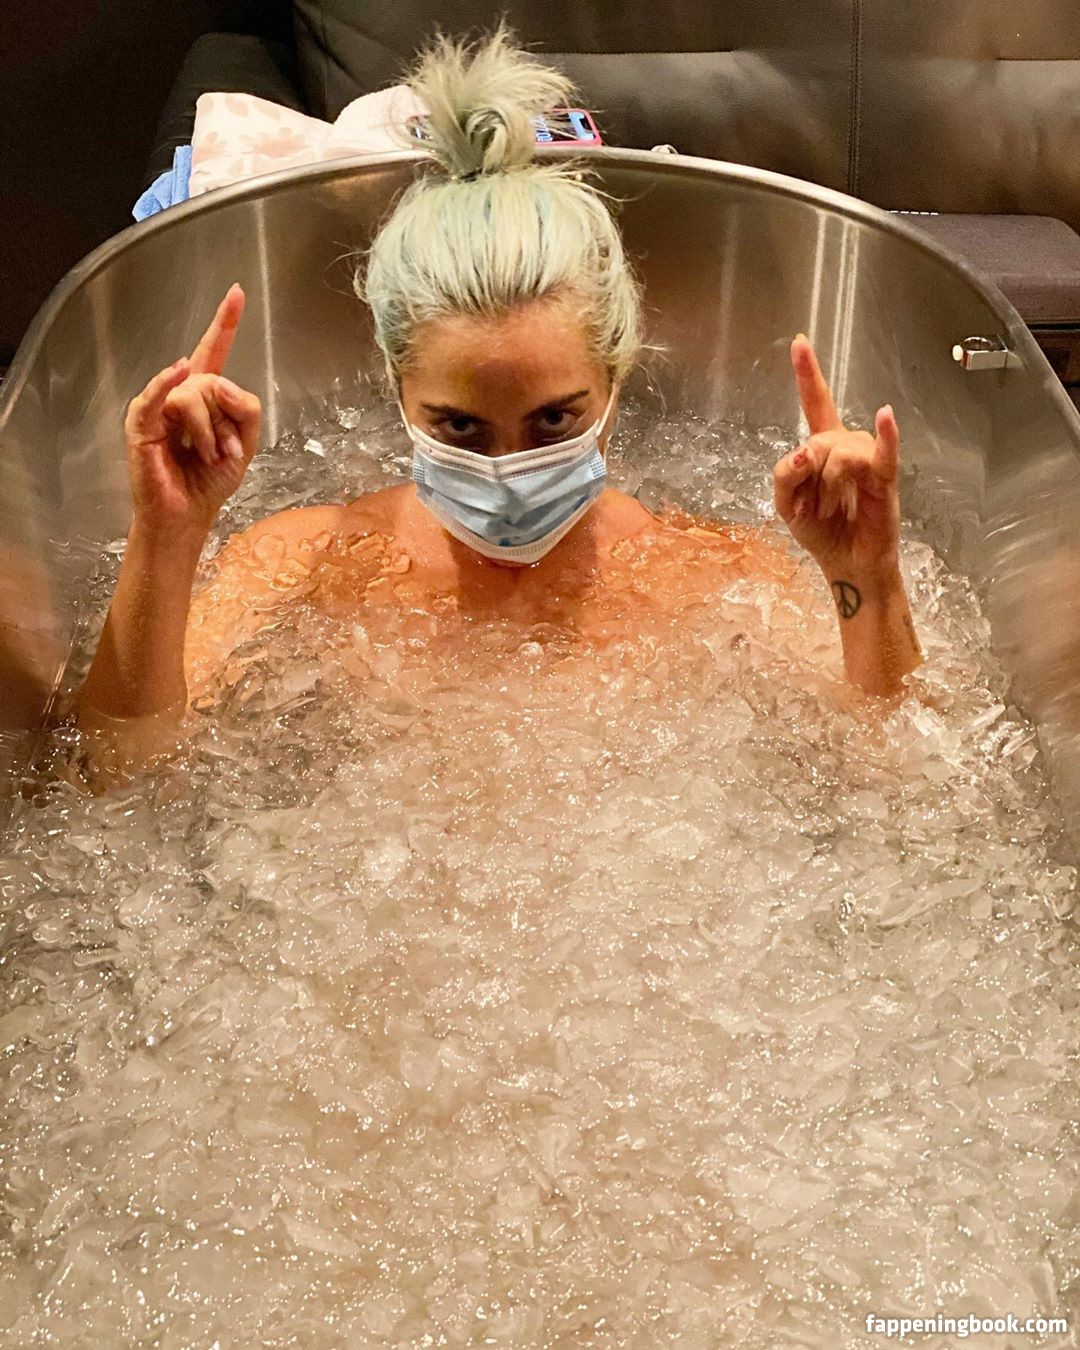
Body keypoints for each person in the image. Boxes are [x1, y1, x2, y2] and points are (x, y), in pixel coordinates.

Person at [63, 24, 921, 794]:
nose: (508, 468)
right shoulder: (299, 570)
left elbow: (898, 778)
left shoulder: (710, 579)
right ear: (399, 388)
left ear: (614, 381)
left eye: (554, 421)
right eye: (460, 427)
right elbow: (116, 781)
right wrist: (167, 536)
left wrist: (866, 579)